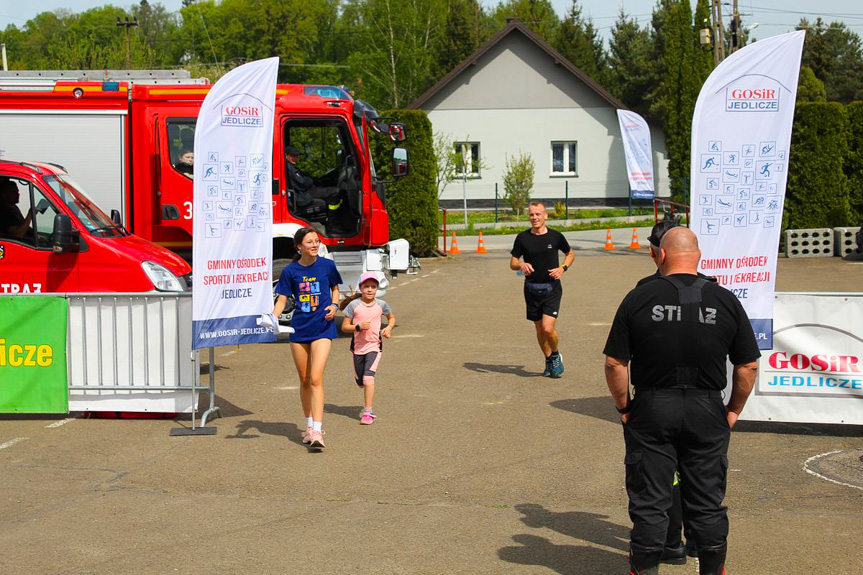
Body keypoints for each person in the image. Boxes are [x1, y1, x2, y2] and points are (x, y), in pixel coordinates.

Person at [603, 227, 760, 575]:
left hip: (653, 408)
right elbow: (747, 365)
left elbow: (615, 363)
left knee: (650, 501)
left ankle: (645, 568)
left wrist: (624, 408)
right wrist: (733, 409)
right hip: (706, 409)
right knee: (707, 502)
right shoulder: (725, 299)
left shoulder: (638, 298)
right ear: (699, 256)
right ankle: (712, 568)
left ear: (660, 255)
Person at [272, 227, 342, 451]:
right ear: (299, 246)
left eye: (317, 241)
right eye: (310, 242)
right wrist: (272, 318)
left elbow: (335, 290)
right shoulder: (290, 271)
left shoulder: (327, 266)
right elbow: (282, 301)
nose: (315, 245)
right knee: (303, 380)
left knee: (315, 378)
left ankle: (318, 431)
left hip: (323, 327)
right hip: (299, 330)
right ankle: (309, 426)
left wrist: (334, 305)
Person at [509, 201, 575, 378]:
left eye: (538, 214)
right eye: (531, 214)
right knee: (539, 329)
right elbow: (513, 263)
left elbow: (570, 254)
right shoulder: (522, 238)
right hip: (531, 290)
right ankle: (548, 359)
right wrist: (521, 265)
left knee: (547, 328)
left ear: (545, 215)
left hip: (552, 289)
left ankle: (555, 354)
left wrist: (563, 268)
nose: (534, 218)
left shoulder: (555, 237)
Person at [340, 272, 396, 425]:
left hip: (374, 346)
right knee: (361, 382)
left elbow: (391, 317)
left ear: (377, 288)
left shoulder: (381, 305)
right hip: (358, 347)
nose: (370, 290)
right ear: (361, 288)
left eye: (373, 286)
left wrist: (388, 328)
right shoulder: (354, 305)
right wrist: (357, 327)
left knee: (368, 378)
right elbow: (345, 326)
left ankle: (368, 412)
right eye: (366, 286)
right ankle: (360, 381)